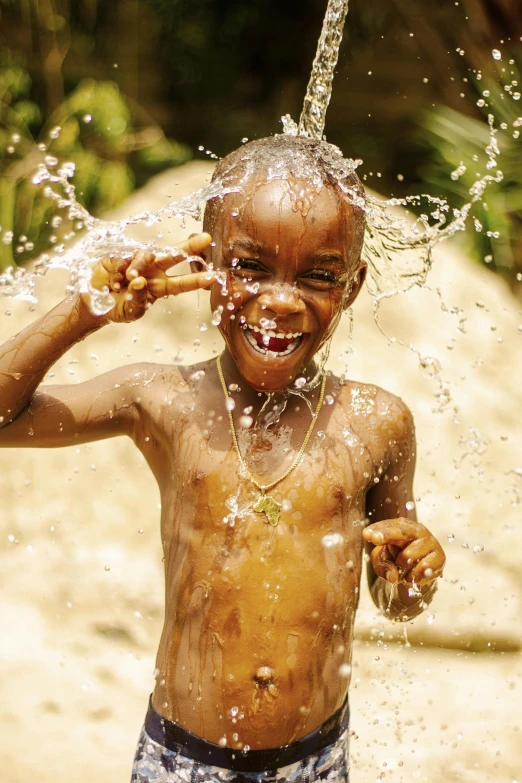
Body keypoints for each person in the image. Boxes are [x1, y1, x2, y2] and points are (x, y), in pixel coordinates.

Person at [0, 135, 445, 782]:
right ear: (207, 266)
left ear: (353, 285)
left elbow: (396, 600)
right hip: (183, 760)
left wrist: (412, 575)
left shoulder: (378, 423)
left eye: (319, 274)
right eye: (250, 267)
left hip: (315, 761)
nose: (283, 299)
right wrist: (86, 310)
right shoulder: (162, 398)